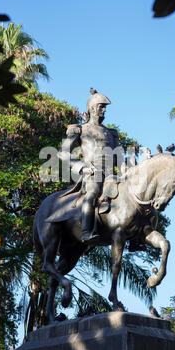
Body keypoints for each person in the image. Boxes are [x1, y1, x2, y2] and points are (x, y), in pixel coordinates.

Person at [58, 89, 122, 244]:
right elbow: (62, 152)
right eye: (101, 107)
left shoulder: (110, 133)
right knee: (92, 193)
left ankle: (134, 236)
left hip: (111, 174)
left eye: (105, 107)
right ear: (92, 108)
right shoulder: (80, 129)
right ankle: (86, 232)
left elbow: (119, 157)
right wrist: (81, 166)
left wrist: (125, 172)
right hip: (92, 173)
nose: (104, 110)